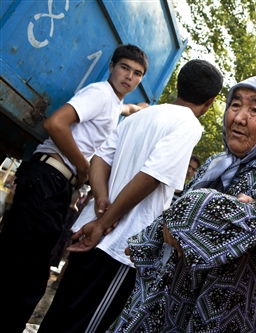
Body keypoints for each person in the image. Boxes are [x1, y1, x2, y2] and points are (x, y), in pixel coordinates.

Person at [108, 76, 256, 332]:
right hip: (168, 306)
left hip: (226, 314)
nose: (238, 117)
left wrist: (202, 206)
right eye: (235, 105)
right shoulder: (215, 164)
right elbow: (175, 219)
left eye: (255, 109)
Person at [37, 59, 223, 333]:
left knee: (59, 317)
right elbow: (151, 176)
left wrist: (101, 201)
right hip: (121, 245)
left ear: (180, 86)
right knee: (86, 325)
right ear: (209, 102)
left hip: (92, 233)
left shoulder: (142, 114)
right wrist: (104, 222)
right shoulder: (188, 125)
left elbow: (100, 158)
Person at [0, 43, 148, 332]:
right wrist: (83, 168)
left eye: (137, 74)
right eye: (124, 68)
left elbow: (123, 107)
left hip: (52, 186)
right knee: (25, 276)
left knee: (19, 268)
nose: (129, 77)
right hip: (49, 179)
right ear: (111, 67)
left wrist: (135, 109)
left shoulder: (114, 102)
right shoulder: (101, 94)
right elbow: (55, 124)